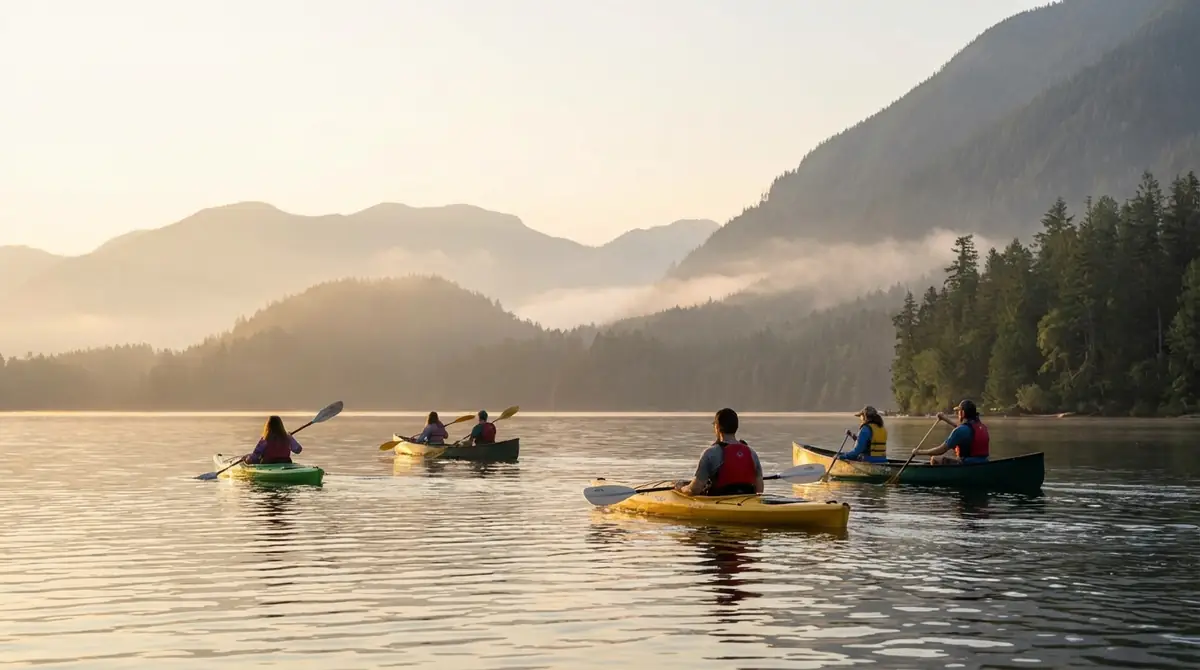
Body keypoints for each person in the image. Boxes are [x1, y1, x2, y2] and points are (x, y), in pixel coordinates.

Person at [674, 408, 764, 496]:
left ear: (717, 427)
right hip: (747, 501)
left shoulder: (710, 453)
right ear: (736, 427)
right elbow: (760, 489)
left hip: (721, 502)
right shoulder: (752, 453)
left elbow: (696, 489)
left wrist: (682, 488)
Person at [911, 399, 990, 465]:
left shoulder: (961, 430)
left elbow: (941, 450)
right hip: (983, 463)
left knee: (935, 458)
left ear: (962, 413)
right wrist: (945, 418)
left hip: (967, 464)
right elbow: (962, 430)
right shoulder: (982, 427)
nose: (957, 414)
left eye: (958, 412)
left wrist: (919, 452)